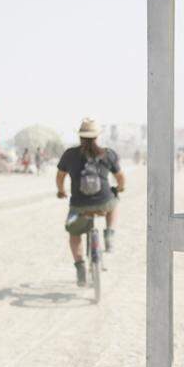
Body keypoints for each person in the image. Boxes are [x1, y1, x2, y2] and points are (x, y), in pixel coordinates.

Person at [56, 118, 125, 287]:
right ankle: (109, 233)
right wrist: (120, 188)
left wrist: (61, 191)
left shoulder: (70, 154)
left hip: (78, 206)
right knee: (114, 202)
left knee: (74, 234)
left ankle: (80, 267)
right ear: (97, 137)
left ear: (80, 136)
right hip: (104, 202)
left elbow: (60, 177)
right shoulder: (108, 154)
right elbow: (120, 177)